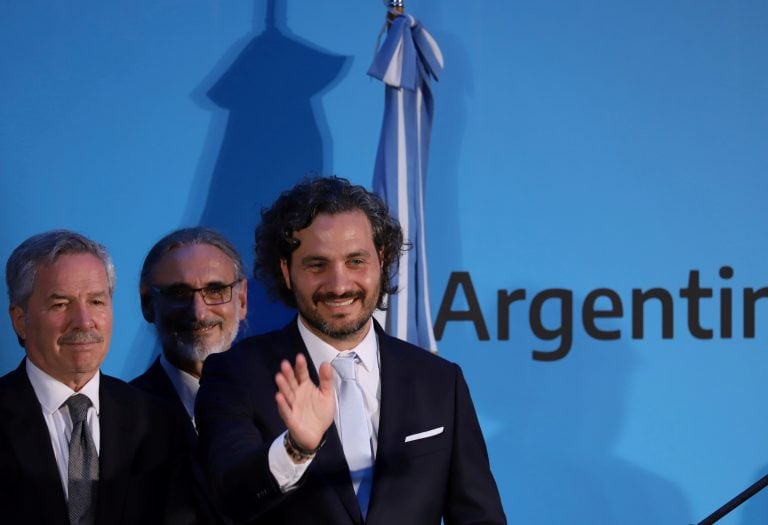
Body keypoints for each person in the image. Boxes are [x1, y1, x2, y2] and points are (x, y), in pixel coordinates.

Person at [196, 177, 506, 524]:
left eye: (356, 261)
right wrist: (296, 449)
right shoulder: (234, 374)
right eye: (317, 265)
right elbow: (230, 498)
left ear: (382, 258)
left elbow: (479, 516)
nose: (340, 284)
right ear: (286, 270)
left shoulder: (440, 381)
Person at [0, 229, 190, 524]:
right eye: (60, 304)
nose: (84, 321)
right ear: (19, 320)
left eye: (97, 302)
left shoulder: (160, 424)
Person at [131, 226, 247, 524]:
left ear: (242, 299)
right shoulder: (118, 417)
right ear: (147, 304)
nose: (198, 312)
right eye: (178, 293)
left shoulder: (287, 401)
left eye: (215, 290)